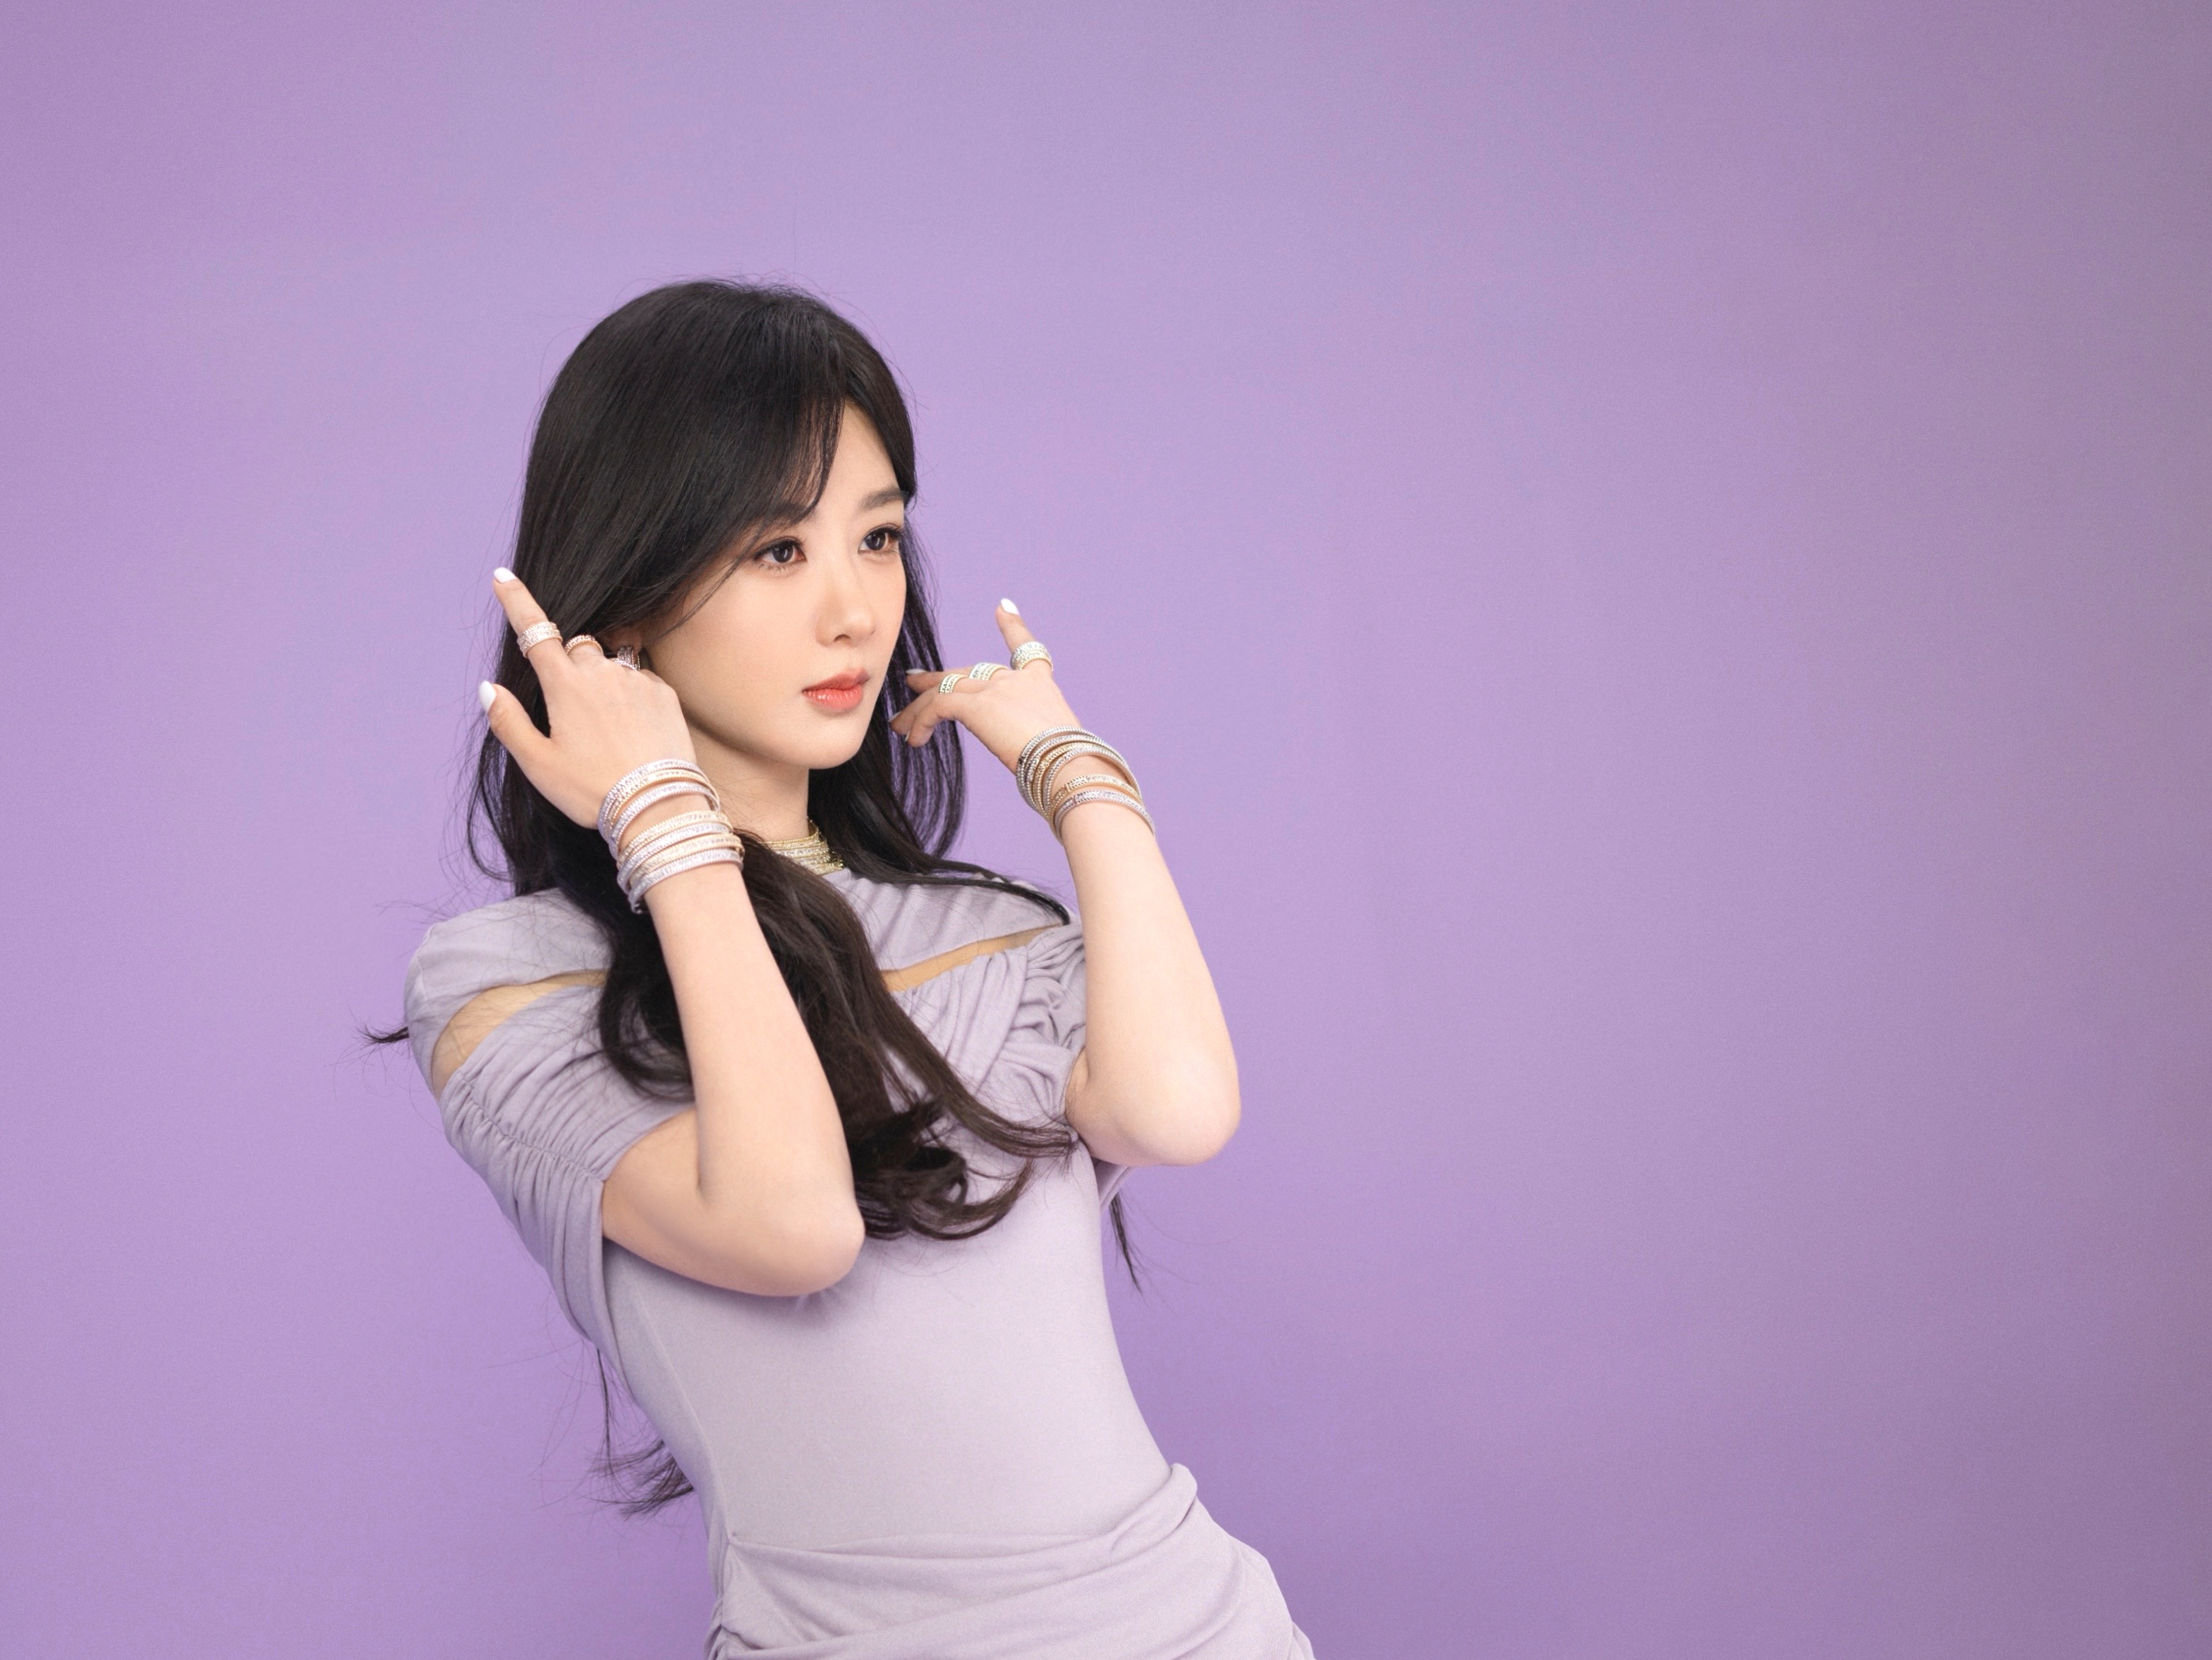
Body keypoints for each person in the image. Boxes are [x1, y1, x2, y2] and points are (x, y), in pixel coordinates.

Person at [394, 281, 1312, 1658]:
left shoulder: (987, 927)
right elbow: (794, 1227)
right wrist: (667, 825)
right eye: (777, 549)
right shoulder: (505, 982)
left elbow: (1175, 1109)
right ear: (629, 592)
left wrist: (1083, 782)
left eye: (878, 537)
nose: (855, 611)